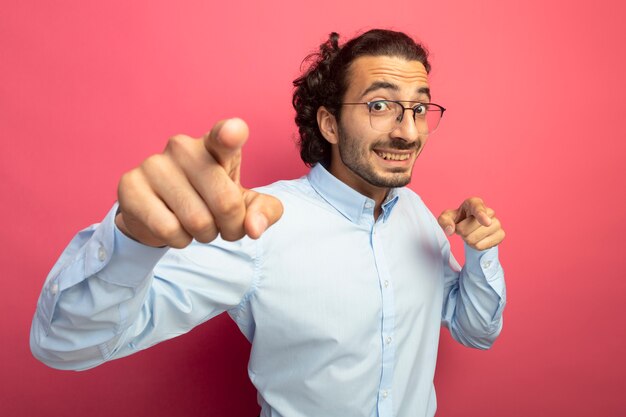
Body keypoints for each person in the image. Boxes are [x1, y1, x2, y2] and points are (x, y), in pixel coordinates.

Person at [30, 29, 506, 417]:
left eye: (419, 109)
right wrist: (134, 241)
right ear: (330, 124)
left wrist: (481, 253)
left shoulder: (419, 217)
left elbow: (474, 331)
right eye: (379, 106)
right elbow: (65, 344)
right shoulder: (260, 225)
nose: (406, 130)